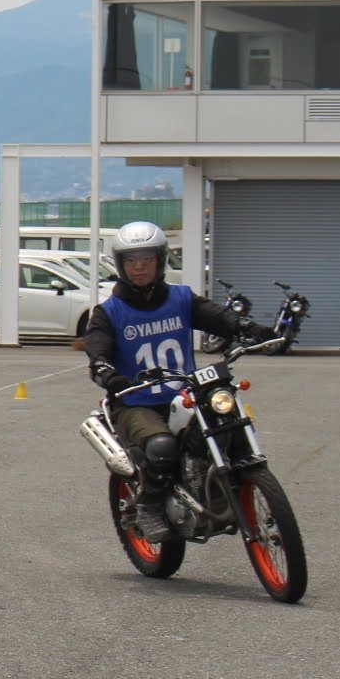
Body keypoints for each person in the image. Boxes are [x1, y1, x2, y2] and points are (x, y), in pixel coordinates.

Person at [84, 221, 258, 541]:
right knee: (162, 446)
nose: (139, 267)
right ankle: (149, 507)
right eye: (131, 261)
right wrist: (107, 373)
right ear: (120, 265)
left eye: (146, 259)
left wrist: (245, 327)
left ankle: (230, 487)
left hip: (183, 393)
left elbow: (216, 317)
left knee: (228, 419)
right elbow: (97, 352)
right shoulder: (108, 312)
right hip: (135, 401)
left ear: (160, 261)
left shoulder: (180, 299)